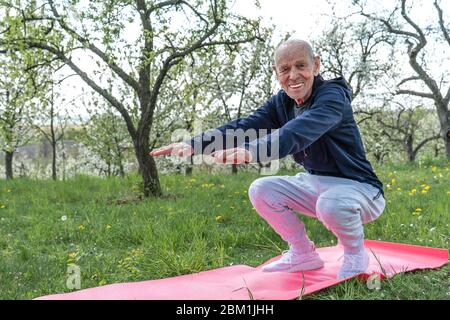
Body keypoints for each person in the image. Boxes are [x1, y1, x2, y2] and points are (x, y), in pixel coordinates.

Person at [150, 39, 385, 279]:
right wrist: (193, 144)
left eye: (300, 66)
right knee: (261, 189)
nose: (293, 75)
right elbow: (245, 126)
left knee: (331, 204)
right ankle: (303, 254)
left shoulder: (333, 96)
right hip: (318, 184)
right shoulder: (281, 103)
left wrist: (253, 151)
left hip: (361, 189)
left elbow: (298, 131)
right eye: (285, 69)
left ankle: (356, 254)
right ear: (276, 73)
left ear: (316, 66)